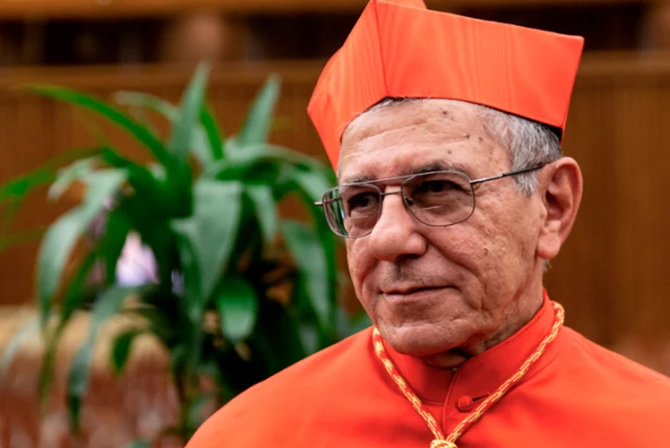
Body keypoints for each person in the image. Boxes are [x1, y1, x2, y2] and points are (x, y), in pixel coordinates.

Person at [186, 1, 670, 446]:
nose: (388, 238)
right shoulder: (245, 436)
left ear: (552, 206)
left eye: (438, 189)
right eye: (362, 200)